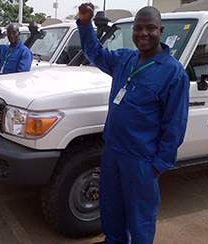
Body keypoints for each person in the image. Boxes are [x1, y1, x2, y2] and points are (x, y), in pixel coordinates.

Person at [77, 4, 188, 243]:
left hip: (141, 162)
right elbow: (94, 52)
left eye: (150, 28)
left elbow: (175, 126)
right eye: (138, 28)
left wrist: (156, 167)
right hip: (113, 153)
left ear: (161, 30)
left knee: (140, 221)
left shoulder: (173, 73)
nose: (143, 34)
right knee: (111, 212)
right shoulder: (124, 59)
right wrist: (85, 24)